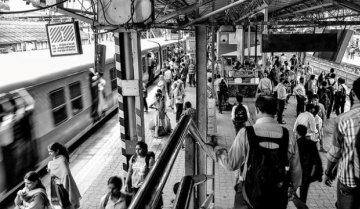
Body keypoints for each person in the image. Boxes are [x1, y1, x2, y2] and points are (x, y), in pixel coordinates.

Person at [206, 96, 302, 209]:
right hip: (277, 196)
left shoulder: (245, 133)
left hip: (250, 196)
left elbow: (231, 164)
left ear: (257, 110)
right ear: (276, 111)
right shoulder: (288, 135)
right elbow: (296, 172)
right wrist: (290, 189)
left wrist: (216, 150)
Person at [324, 78, 360, 209]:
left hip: (348, 178)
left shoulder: (344, 119)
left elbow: (335, 152)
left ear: (354, 95)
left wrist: (329, 173)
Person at [47, 142, 81, 209]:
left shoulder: (61, 159)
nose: (49, 153)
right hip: (59, 185)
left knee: (65, 204)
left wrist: (51, 169)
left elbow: (65, 173)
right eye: (49, 151)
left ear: (57, 151)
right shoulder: (58, 158)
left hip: (62, 186)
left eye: (51, 151)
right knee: (63, 203)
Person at [295, 125, 323, 203]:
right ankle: (302, 204)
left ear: (297, 132)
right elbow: (317, 159)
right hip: (308, 173)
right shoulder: (311, 143)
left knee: (293, 193)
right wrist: (320, 173)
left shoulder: (296, 143)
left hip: (298, 172)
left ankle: (300, 205)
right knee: (303, 194)